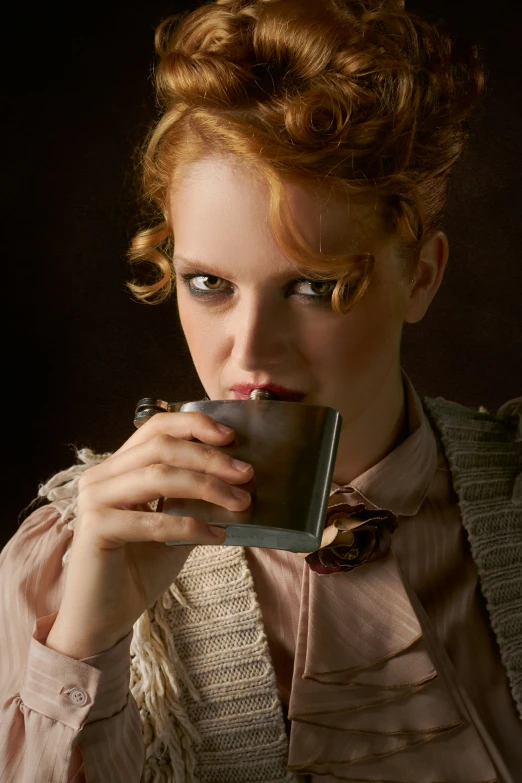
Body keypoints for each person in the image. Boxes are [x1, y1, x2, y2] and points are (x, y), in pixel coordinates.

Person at [1, 0, 521, 781]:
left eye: (314, 287)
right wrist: (88, 641)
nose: (247, 352)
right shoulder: (64, 563)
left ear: (421, 274)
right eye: (208, 283)